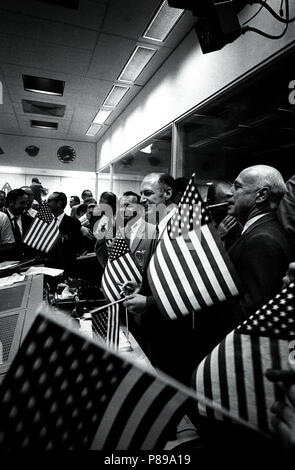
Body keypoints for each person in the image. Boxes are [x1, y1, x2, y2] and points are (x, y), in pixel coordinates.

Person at [226, 164, 293, 326]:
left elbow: (251, 310)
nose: (229, 192)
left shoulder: (263, 239)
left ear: (262, 195)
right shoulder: (261, 231)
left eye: (237, 186)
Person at [46, 192, 83, 277]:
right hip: (49, 269)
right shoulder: (46, 222)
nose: (47, 204)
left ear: (59, 203)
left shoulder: (73, 223)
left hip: (67, 269)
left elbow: (77, 248)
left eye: (49, 201)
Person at [4, 189, 37, 259]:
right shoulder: (2, 219)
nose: (25, 206)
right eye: (22, 203)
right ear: (11, 202)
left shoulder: (30, 220)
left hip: (27, 264)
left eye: (26, 203)